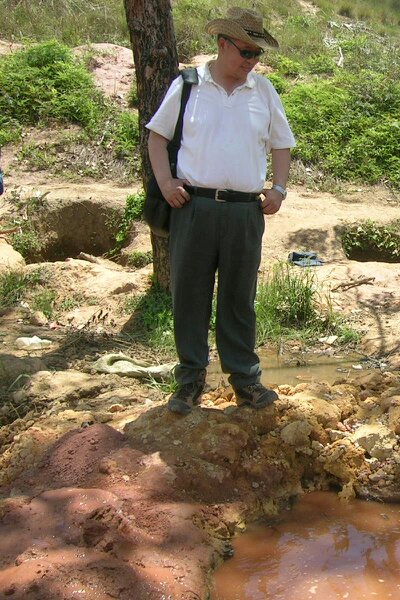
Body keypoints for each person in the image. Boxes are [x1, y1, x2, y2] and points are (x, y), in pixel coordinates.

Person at [146, 7, 295, 415]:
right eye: (246, 52)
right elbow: (157, 137)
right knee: (190, 296)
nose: (252, 61)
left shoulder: (263, 91)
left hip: (245, 212)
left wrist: (279, 189)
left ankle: (245, 380)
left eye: (256, 54)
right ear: (222, 44)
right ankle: (189, 381)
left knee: (239, 298)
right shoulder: (189, 85)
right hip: (193, 207)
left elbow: (282, 144)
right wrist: (165, 183)